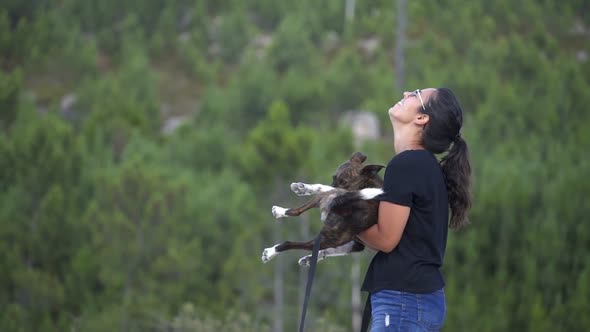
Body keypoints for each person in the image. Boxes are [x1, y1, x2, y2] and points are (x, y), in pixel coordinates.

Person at [357, 88, 472, 332]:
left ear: (422, 118)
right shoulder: (424, 166)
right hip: (415, 300)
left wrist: (345, 220)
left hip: (403, 300)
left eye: (416, 94)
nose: (407, 92)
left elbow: (386, 239)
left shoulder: (407, 164)